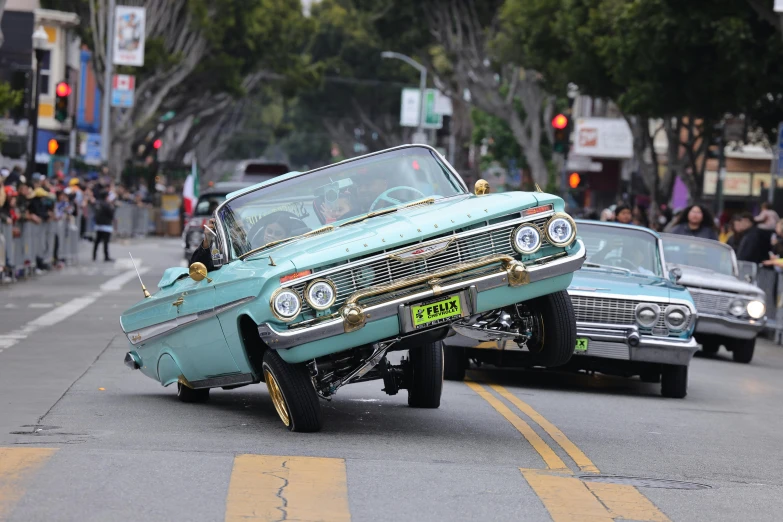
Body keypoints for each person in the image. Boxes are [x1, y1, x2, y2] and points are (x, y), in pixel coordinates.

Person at [93, 191, 115, 262]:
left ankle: (94, 255)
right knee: (105, 242)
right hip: (106, 225)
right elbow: (111, 214)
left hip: (99, 225)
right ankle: (106, 256)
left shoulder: (98, 203)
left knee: (97, 240)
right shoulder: (107, 204)